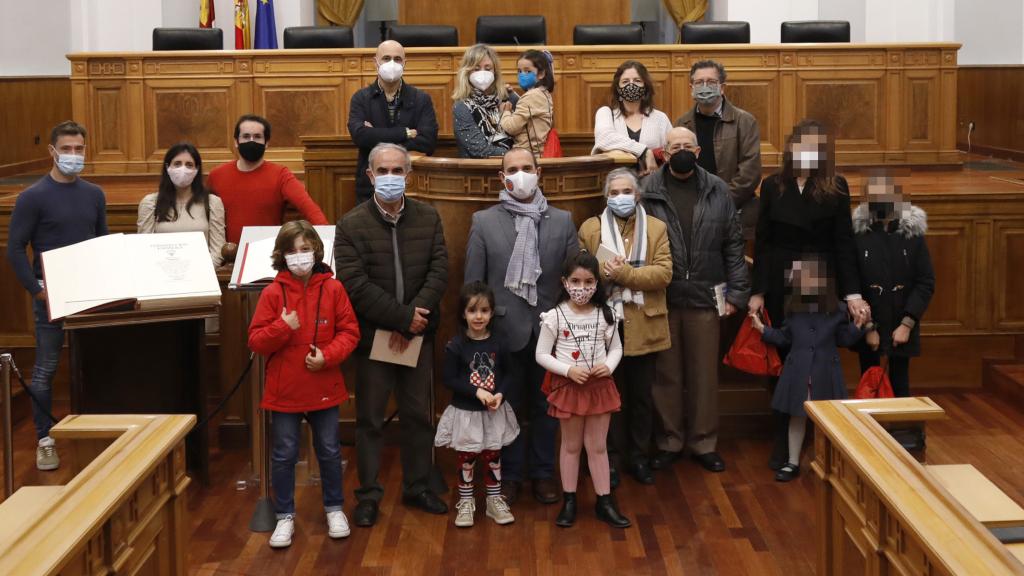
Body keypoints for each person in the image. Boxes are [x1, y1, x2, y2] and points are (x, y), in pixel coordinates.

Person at [334, 143, 449, 527]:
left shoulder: (429, 217)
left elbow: (438, 271)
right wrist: (402, 318)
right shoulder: (351, 225)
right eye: (382, 171)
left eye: (397, 171)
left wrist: (415, 320)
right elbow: (355, 284)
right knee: (369, 420)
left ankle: (418, 486)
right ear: (369, 175)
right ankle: (367, 495)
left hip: (417, 336)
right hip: (375, 338)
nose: (390, 178)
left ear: (408, 176)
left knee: (418, 415)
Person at [748, 119, 869, 470]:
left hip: (821, 283)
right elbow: (764, 240)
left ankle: (819, 439)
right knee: (784, 359)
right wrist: (758, 291)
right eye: (801, 145)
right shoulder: (772, 186)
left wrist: (853, 294)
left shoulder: (836, 186)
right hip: (780, 281)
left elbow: (844, 244)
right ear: (791, 149)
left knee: (817, 357)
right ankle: (784, 439)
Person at [464, 147, 579, 505]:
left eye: (526, 168)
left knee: (547, 407)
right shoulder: (484, 221)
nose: (520, 174)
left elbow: (574, 280)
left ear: (538, 171)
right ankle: (509, 476)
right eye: (512, 169)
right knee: (506, 408)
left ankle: (543, 474)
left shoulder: (563, 220)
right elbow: (474, 284)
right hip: (502, 334)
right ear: (502, 178)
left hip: (551, 333)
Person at [641, 127, 750, 474]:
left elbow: (734, 244)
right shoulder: (648, 190)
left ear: (698, 151)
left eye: (688, 146)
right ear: (664, 153)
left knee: (704, 375)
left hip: (706, 295)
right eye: (675, 147)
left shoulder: (717, 188)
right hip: (663, 296)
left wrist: (737, 293)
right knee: (666, 376)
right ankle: (669, 441)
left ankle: (704, 442)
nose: (682, 151)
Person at [247, 220, 360, 548]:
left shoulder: (334, 289)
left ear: (316, 250)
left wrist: (327, 356)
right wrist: (282, 327)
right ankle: (284, 516)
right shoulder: (272, 293)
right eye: (292, 251)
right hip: (285, 391)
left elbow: (349, 332)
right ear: (282, 256)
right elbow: (256, 341)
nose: (300, 257)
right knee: (283, 454)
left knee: (328, 450)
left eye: (305, 250)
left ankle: (334, 509)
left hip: (324, 384)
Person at [7, 120, 108, 471]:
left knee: (97, 364)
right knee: (46, 368)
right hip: (50, 295)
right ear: (52, 151)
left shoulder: (94, 194)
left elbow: (101, 243)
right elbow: (16, 249)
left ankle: (97, 432)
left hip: (90, 295)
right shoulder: (32, 196)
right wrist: (36, 291)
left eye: (79, 149)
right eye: (66, 149)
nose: (73, 155)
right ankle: (44, 438)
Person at [578, 168, 672, 486]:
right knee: (609, 398)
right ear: (606, 197)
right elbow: (583, 275)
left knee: (642, 397)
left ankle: (639, 457)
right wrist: (605, 273)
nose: (621, 197)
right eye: (614, 192)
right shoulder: (591, 229)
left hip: (645, 326)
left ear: (638, 194)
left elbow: (662, 274)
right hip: (607, 327)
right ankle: (611, 460)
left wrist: (623, 274)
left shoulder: (657, 228)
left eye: (626, 191)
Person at [536, 250, 630, 528]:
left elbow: (616, 348)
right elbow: (541, 354)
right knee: (571, 445)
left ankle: (604, 501)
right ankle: (569, 501)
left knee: (597, 446)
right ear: (565, 282)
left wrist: (609, 366)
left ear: (597, 283)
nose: (581, 288)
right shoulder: (554, 316)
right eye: (575, 282)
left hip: (600, 388)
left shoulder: (606, 314)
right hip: (570, 387)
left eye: (588, 282)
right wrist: (568, 370)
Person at [752, 256, 865, 481]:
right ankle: (792, 462)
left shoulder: (838, 310)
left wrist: (859, 327)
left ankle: (831, 465)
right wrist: (763, 329)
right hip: (798, 373)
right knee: (797, 417)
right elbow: (784, 337)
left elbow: (844, 338)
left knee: (828, 423)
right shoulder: (793, 310)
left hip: (825, 372)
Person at [434, 282, 519, 528]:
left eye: (484, 310)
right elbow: (449, 379)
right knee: (467, 457)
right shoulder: (456, 346)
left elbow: (510, 374)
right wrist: (477, 391)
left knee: (493, 456)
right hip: (466, 413)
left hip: (494, 412)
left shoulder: (500, 343)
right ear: (463, 313)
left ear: (492, 312)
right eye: (472, 311)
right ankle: (466, 501)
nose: (478, 316)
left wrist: (500, 394)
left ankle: (494, 501)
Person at [851, 174, 935, 397]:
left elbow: (925, 282)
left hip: (902, 325)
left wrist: (907, 325)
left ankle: (900, 431)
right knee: (868, 386)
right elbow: (852, 283)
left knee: (900, 386)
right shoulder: (858, 236)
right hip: (868, 325)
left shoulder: (912, 235)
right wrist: (868, 327)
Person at [208, 114, 327, 244]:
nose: (251, 141)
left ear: (266, 143)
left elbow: (309, 208)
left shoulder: (281, 174)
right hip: (227, 257)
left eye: (257, 137)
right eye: (246, 136)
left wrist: (327, 239)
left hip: (267, 252)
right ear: (236, 141)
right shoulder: (216, 175)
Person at [675, 60, 762, 233]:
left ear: (722, 87)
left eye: (711, 82)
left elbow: (749, 174)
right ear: (691, 87)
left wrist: (719, 203)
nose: (704, 86)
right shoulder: (681, 124)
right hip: (693, 209)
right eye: (699, 82)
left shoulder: (744, 121)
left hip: (733, 207)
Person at [349, 40, 439, 203]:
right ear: (375, 63)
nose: (392, 63)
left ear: (405, 63)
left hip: (411, 186)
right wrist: (405, 133)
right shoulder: (361, 98)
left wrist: (375, 135)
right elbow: (360, 136)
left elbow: (428, 142)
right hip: (369, 185)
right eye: (386, 58)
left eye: (397, 59)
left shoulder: (421, 99)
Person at [137, 142, 226, 266]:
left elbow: (218, 251)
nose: (183, 169)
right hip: (162, 277)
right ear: (168, 167)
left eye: (189, 165)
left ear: (197, 169)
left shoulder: (212, 202)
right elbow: (144, 249)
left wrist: (200, 271)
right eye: (177, 164)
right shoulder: (150, 203)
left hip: (202, 276)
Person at [592, 61, 673, 176]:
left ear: (645, 86)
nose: (631, 85)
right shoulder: (606, 113)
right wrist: (645, 151)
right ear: (618, 88)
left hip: (652, 185)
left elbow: (671, 150)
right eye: (625, 81)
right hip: (617, 185)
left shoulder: (660, 118)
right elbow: (605, 139)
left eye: (637, 81)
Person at [453, 43, 517, 158]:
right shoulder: (462, 106)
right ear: (467, 73)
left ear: (495, 72)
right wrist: (518, 156)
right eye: (476, 69)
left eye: (488, 68)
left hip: (516, 167)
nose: (482, 73)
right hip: (481, 170)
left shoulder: (509, 98)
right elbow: (479, 150)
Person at [499, 49, 555, 157]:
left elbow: (511, 127)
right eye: (519, 71)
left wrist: (505, 112)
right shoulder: (543, 93)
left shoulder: (531, 96)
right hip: (538, 153)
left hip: (526, 155)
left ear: (541, 73)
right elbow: (529, 110)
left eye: (527, 71)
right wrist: (512, 95)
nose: (522, 75)